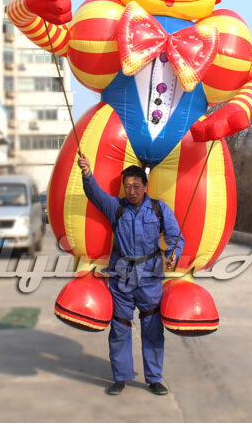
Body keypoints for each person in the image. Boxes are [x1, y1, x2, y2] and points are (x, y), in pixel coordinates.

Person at [77, 153, 184, 396]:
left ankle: (154, 378)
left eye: (136, 186)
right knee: (120, 327)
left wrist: (174, 253)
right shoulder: (116, 207)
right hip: (121, 277)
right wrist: (86, 173)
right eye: (127, 187)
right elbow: (94, 193)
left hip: (150, 278)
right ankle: (120, 377)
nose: (132, 191)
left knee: (152, 328)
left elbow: (176, 235)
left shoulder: (159, 209)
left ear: (145, 186)